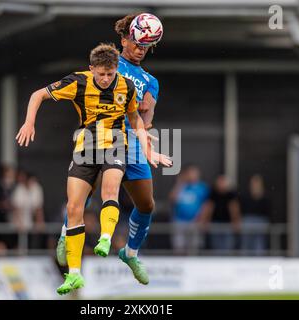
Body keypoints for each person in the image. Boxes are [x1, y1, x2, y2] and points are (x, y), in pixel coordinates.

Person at [15, 43, 171, 295]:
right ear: (92, 70)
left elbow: (137, 120)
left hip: (117, 144)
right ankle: (72, 263)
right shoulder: (79, 82)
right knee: (75, 205)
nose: (107, 79)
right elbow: (38, 95)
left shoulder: (130, 85)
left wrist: (148, 150)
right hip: (86, 146)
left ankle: (113, 243)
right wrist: (29, 122)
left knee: (132, 199)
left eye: (111, 74)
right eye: (102, 74)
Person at [57, 13, 165, 286]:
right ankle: (65, 232)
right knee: (89, 192)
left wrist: (148, 139)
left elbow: (145, 118)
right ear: (124, 38)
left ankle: (130, 253)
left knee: (146, 204)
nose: (141, 50)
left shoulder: (150, 81)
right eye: (137, 43)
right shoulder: (109, 64)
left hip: (132, 144)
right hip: (102, 139)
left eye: (146, 47)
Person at [169, 165, 209, 255]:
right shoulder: (181, 186)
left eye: (194, 173)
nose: (192, 175)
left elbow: (206, 205)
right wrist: (179, 183)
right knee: (179, 246)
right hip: (179, 221)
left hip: (195, 221)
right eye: (189, 173)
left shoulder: (202, 187)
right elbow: (172, 199)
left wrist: (203, 219)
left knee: (194, 247)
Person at [200, 175, 241, 254]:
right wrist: (205, 221)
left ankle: (226, 263)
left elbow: (234, 208)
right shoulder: (213, 194)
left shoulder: (231, 195)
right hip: (215, 224)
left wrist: (236, 221)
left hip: (227, 225)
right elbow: (209, 207)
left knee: (227, 248)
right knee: (216, 248)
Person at [240, 174, 271, 256]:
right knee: (246, 243)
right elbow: (242, 208)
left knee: (259, 244)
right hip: (248, 220)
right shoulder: (245, 195)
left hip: (261, 221)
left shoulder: (265, 196)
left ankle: (259, 259)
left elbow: (267, 210)